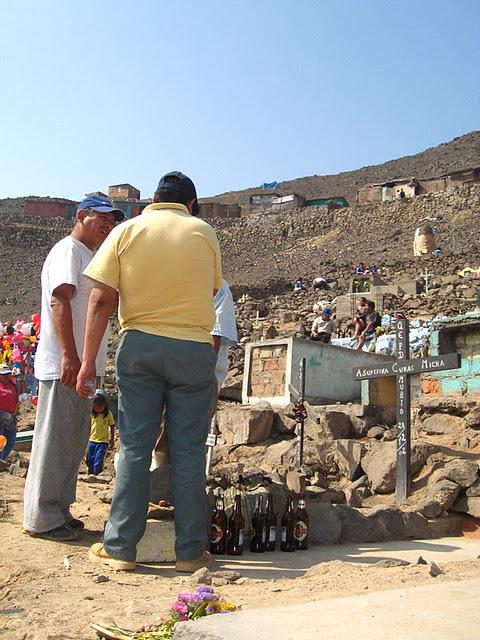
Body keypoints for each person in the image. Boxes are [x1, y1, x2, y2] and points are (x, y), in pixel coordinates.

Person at [76, 171, 222, 573]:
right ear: (190, 205)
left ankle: (121, 549)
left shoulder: (128, 231)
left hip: (139, 345)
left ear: (152, 200)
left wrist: (89, 361)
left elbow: (101, 299)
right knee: (189, 452)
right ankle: (191, 553)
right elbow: (211, 289)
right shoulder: (204, 231)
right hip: (193, 349)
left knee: (135, 448)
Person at [23, 195, 123, 542]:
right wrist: (69, 355)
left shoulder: (89, 256)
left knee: (72, 440)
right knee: (55, 439)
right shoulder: (68, 250)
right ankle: (42, 516)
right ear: (82, 215)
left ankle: (59, 511)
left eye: (113, 222)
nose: (108, 226)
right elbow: (59, 299)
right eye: (103, 219)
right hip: (65, 365)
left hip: (83, 366)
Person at [86, 389, 116, 476]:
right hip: (92, 441)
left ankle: (97, 475)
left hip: (103, 442)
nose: (98, 408)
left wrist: (112, 439)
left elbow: (112, 425)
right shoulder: (91, 415)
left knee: (98, 460)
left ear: (105, 405)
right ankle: (90, 473)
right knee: (89, 459)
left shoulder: (108, 414)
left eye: (100, 406)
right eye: (96, 406)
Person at [0, 364, 19, 461]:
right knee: (0, 443)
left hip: (11, 418)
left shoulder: (13, 386)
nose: (6, 376)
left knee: (10, 442)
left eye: (7, 374)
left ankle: (3, 460)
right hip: (0, 419)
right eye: (3, 374)